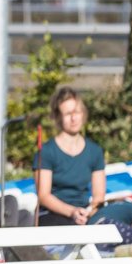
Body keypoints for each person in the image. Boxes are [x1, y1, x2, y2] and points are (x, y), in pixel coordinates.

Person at [34, 86, 106, 227]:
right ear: (58, 117)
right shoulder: (47, 151)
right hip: (53, 214)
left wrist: (89, 212)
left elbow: (99, 196)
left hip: (85, 214)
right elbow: (44, 196)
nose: (74, 118)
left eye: (77, 112)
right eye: (68, 114)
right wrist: (72, 211)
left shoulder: (95, 151)